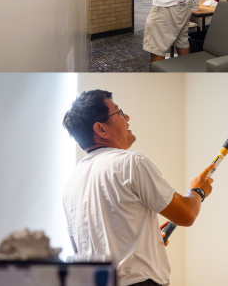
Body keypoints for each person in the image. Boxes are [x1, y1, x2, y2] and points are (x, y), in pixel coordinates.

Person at [62, 90, 214, 286]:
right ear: (101, 129)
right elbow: (186, 214)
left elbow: (81, 249)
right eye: (119, 112)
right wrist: (197, 191)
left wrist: (144, 242)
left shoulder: (71, 183)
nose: (127, 117)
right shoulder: (132, 162)